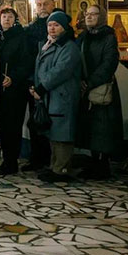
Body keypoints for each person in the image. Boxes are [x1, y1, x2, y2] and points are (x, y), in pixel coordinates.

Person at [30, 11, 81, 183]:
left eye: (56, 25)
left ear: (64, 27)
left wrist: (41, 88)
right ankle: (55, 167)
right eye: (50, 25)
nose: (52, 28)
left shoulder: (69, 47)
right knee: (53, 133)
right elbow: (41, 67)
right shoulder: (49, 44)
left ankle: (62, 169)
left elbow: (60, 71)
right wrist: (36, 87)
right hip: (49, 96)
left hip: (62, 96)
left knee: (63, 134)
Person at [76, 5, 123, 180]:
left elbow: (109, 63)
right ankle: (93, 163)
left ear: (101, 17)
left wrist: (90, 82)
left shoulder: (108, 37)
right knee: (89, 128)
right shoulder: (83, 37)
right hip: (85, 87)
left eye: (93, 14)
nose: (89, 17)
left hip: (101, 87)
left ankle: (103, 166)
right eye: (87, 14)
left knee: (103, 128)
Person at [0, 6, 34, 175]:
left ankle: (11, 162)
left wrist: (14, 78)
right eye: (4, 17)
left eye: (10, 17)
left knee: (13, 126)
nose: (7, 20)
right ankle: (6, 159)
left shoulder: (21, 37)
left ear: (15, 19)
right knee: (3, 125)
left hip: (16, 89)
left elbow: (26, 62)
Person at [23, 0, 56, 171]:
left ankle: (53, 160)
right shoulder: (30, 29)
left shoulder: (59, 26)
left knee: (53, 121)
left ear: (52, 5)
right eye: (39, 5)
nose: (42, 7)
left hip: (53, 83)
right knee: (35, 121)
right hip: (33, 81)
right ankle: (37, 158)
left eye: (45, 4)